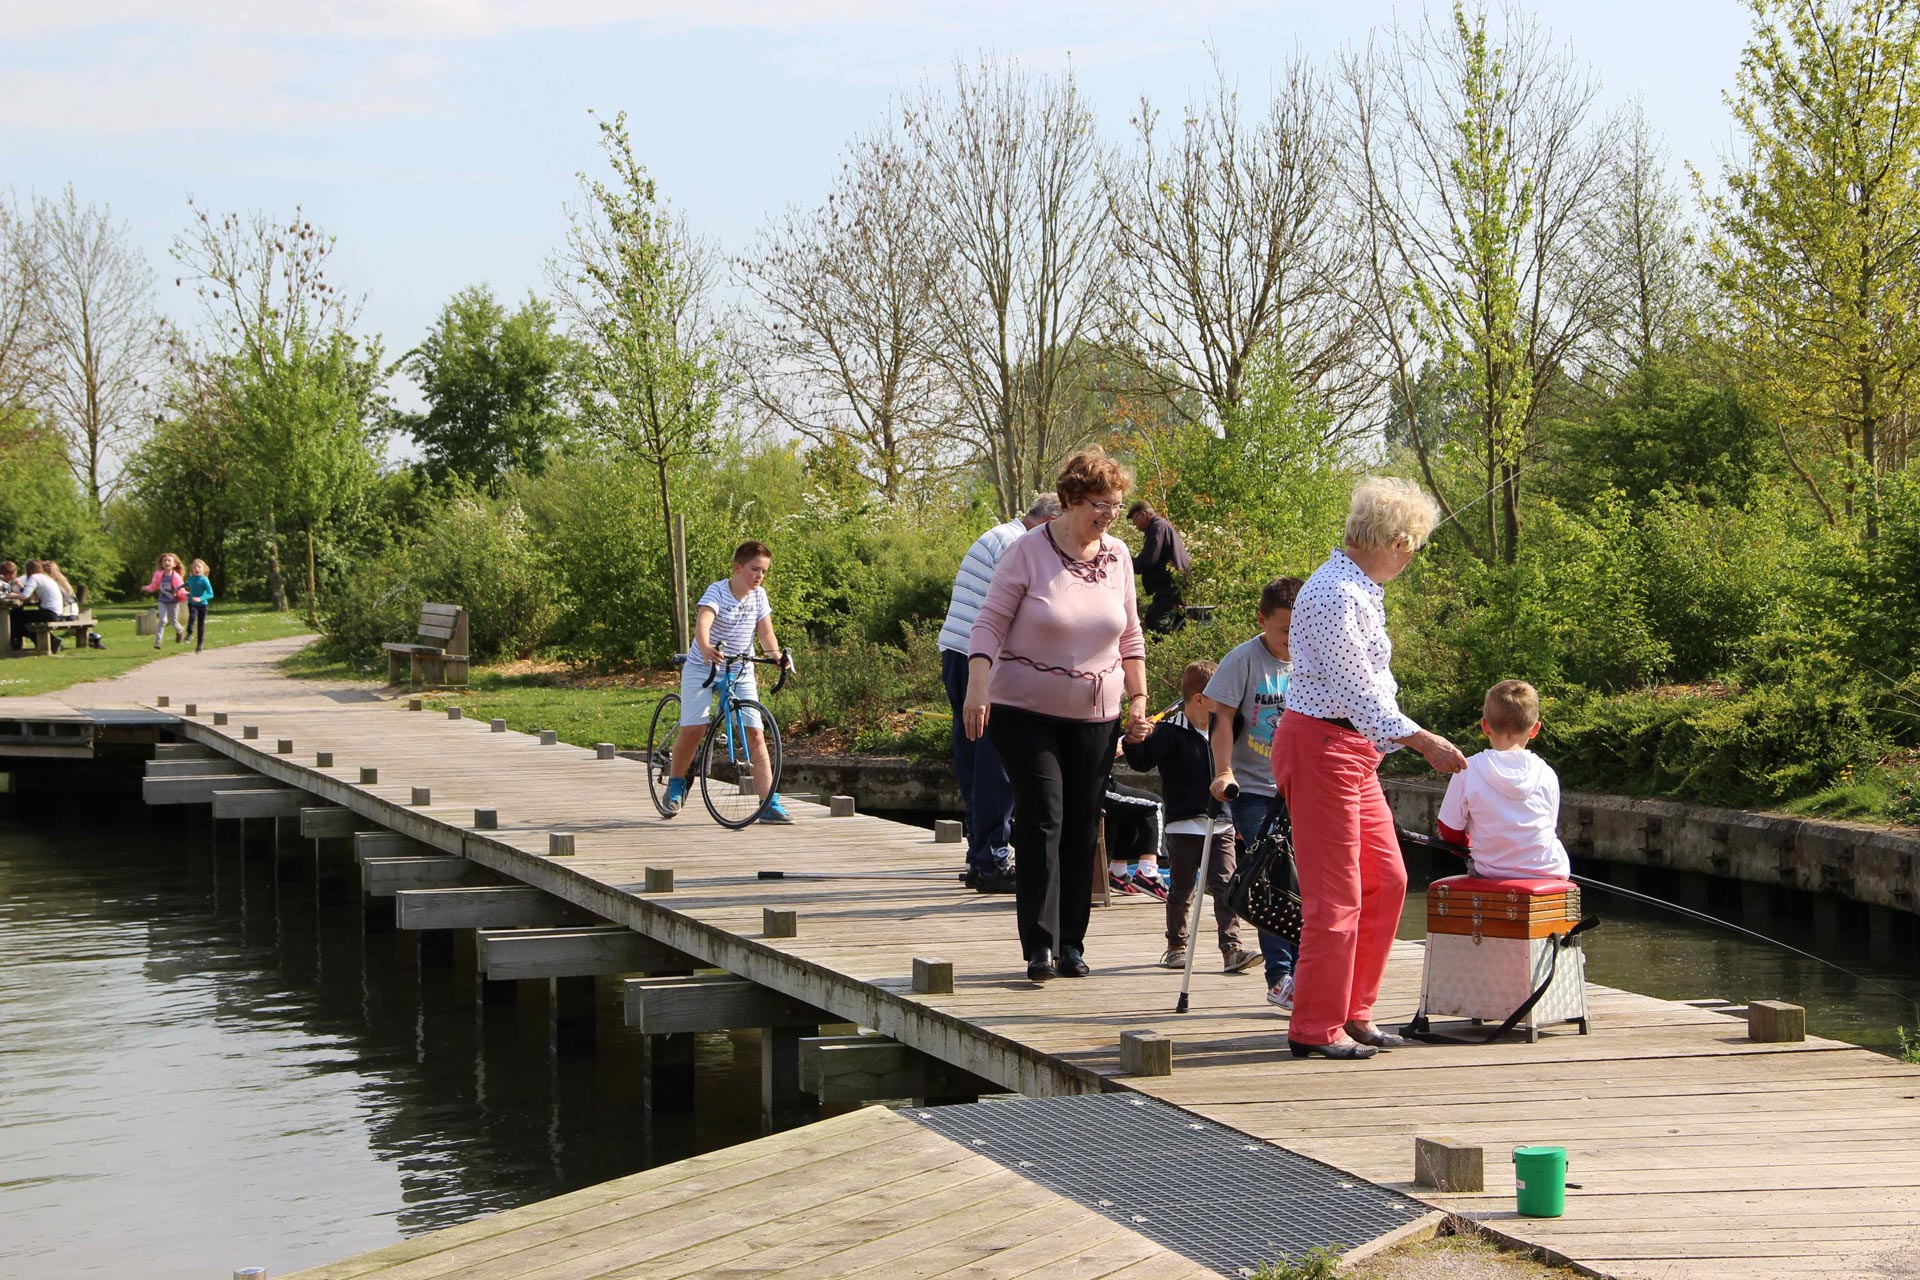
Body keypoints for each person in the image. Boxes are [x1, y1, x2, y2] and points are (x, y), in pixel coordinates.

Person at [1274, 477, 1467, 1060]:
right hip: (1322, 747)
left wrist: (1401, 738)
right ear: (1397, 540)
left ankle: (1353, 1010)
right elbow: (1358, 692)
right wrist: (1422, 740)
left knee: (1387, 880)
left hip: (1352, 752)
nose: (1413, 558)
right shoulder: (1336, 594)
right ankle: (1314, 1026)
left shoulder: (1356, 590)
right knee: (1336, 897)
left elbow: (1364, 691)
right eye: (1414, 545)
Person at [965, 447, 1151, 983]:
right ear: (1069, 500)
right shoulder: (1027, 552)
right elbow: (989, 625)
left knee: (1081, 824)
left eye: (1116, 505)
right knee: (1044, 813)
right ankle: (1039, 946)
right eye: (1100, 503)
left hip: (1096, 713)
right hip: (1023, 709)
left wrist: (1137, 699)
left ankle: (1073, 942)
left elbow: (1131, 635)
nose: (1110, 514)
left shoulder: (1118, 557)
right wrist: (978, 687)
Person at [937, 493, 1062, 894]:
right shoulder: (1018, 546)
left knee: (974, 756)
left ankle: (979, 856)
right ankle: (991, 860)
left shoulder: (996, 535)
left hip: (958, 654)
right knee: (997, 760)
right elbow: (1014, 612)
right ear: (1047, 523)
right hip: (983, 661)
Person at [1205, 576, 1306, 1008]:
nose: (1291, 639)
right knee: (1272, 876)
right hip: (1254, 787)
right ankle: (1280, 977)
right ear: (1262, 620)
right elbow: (1221, 720)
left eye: (1299, 630)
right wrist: (1223, 770)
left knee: (1308, 882)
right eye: (1284, 630)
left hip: (1302, 787)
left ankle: (1309, 972)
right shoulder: (1242, 660)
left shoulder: (1313, 659)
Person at [1127, 659, 1261, 974]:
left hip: (1222, 822)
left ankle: (1232, 949)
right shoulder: (1169, 731)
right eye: (1220, 696)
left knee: (1226, 885)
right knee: (1182, 889)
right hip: (1184, 823)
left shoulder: (1229, 725)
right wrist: (1135, 740)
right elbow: (1142, 762)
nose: (1227, 703)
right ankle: (1176, 946)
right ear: (1199, 699)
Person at [661, 540, 795, 825]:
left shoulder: (759, 597)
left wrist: (776, 656)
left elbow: (766, 634)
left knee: (755, 733)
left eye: (764, 572)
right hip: (703, 665)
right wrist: (706, 646)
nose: (760, 576)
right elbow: (703, 624)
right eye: (754, 570)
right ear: (738, 568)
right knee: (695, 727)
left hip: (740, 667)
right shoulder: (718, 591)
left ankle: (768, 802)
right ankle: (675, 786)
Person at [1436, 680, 1571, 881]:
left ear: (1485, 726)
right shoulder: (1547, 772)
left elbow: (1448, 829)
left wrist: (1470, 847)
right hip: (1550, 870)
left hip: (1491, 872)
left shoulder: (1466, 769)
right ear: (1535, 730)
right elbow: (1548, 826)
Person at [1127, 501, 1190, 634]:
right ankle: (1179, 646)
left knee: (1154, 619)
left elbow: (1149, 559)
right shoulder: (1161, 525)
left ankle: (1166, 648)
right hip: (1178, 581)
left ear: (1143, 515)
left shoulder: (1157, 527)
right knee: (1178, 621)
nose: (1134, 524)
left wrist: (1125, 563)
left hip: (1171, 584)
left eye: (1134, 520)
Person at [1101, 775, 1165, 898]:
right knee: (1154, 804)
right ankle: (1148, 872)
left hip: (1095, 783)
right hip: (1095, 786)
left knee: (1131, 808)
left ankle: (1118, 873)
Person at [12, 560, 66, 651]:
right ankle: (52, 641)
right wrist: (21, 587)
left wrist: (8, 595)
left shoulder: (35, 577)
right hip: (56, 612)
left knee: (14, 616)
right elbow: (29, 593)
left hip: (49, 613)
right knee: (21, 621)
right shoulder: (46, 577)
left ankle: (14, 642)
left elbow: (25, 596)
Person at [142, 552, 188, 648]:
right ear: (162, 564)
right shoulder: (159, 575)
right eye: (165, 561)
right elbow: (154, 586)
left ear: (174, 564)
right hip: (162, 601)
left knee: (173, 622)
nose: (167, 562)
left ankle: (180, 631)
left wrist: (187, 594)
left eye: (169, 561)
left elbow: (180, 589)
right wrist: (146, 588)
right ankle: (158, 641)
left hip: (173, 602)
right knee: (162, 620)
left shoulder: (176, 577)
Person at [183, 559, 215, 653]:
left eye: (198, 567)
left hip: (202, 605)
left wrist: (200, 598)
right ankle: (189, 633)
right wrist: (178, 589)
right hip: (192, 603)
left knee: (201, 625)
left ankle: (199, 644)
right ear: (191, 569)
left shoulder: (205, 580)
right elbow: (187, 584)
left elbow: (210, 594)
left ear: (203, 569)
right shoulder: (191, 578)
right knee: (192, 616)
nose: (196, 569)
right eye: (194, 567)